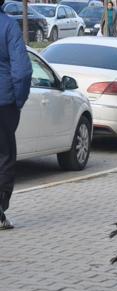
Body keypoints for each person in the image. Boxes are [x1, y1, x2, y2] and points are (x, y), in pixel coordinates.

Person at [0, 0, 33, 230]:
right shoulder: (8, 26)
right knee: (4, 156)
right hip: (3, 103)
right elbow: (22, 71)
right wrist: (18, 100)